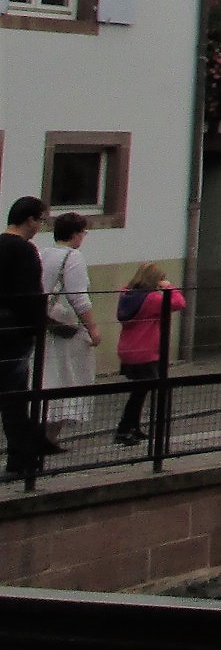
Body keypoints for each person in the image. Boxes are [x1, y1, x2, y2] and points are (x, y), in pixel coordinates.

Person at [39, 212, 100, 448]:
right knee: (69, 377)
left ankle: (42, 434)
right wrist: (93, 328)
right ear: (75, 234)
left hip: (45, 324)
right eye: (83, 233)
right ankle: (49, 437)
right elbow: (78, 298)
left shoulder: (42, 253)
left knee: (46, 376)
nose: (83, 237)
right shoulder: (73, 257)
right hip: (66, 329)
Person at [0, 197, 49, 484]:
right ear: (29, 219)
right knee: (15, 396)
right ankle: (23, 458)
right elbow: (31, 296)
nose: (39, 228)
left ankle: (27, 453)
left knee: (11, 396)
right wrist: (37, 327)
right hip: (15, 332)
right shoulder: (24, 250)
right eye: (40, 221)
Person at [112, 263, 185, 448]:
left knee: (139, 390)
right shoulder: (152, 299)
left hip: (129, 349)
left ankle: (133, 427)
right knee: (150, 391)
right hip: (146, 351)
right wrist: (169, 287)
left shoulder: (126, 293)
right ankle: (124, 430)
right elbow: (179, 303)